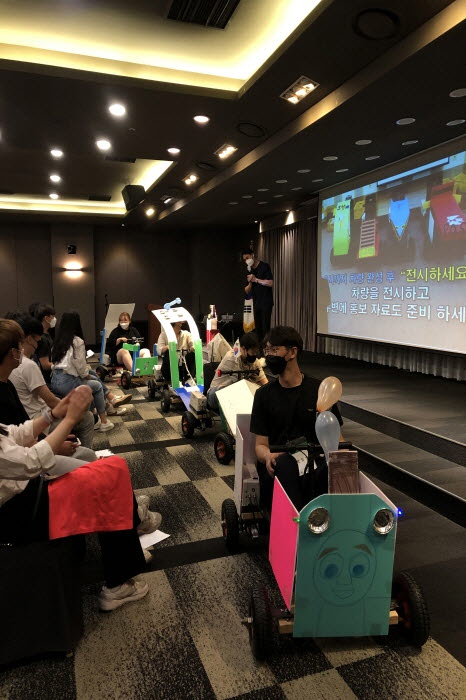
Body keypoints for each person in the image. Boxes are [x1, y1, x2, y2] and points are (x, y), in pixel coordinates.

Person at [250, 326, 343, 512]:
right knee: (285, 464)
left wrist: (342, 458)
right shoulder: (264, 395)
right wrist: (267, 456)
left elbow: (337, 438)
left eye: (274, 350)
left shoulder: (319, 391)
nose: (269, 356)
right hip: (280, 464)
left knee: (335, 467)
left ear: (292, 352)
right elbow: (260, 445)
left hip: (314, 461)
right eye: (267, 350)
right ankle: (298, 522)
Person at [9, 314, 96, 452]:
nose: (37, 346)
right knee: (87, 417)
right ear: (28, 339)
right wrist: (72, 412)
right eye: (37, 341)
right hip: (37, 422)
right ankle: (85, 454)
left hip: (29, 422)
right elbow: (50, 401)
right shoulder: (27, 365)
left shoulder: (13, 366)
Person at [51, 312, 131, 432]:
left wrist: (88, 375)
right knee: (96, 385)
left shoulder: (58, 341)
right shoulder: (77, 341)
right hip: (68, 383)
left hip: (55, 381)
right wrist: (86, 375)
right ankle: (104, 421)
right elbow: (80, 366)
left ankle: (109, 404)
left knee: (92, 375)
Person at [207, 332, 268, 411]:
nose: (254, 355)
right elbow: (238, 388)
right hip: (215, 394)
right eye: (253, 353)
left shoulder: (255, 362)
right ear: (243, 349)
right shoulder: (232, 358)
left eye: (256, 352)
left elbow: (264, 382)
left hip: (233, 395)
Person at [242, 249, 273, 343]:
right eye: (244, 259)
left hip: (266, 302)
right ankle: (260, 349)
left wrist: (256, 280)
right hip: (256, 302)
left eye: (247, 258)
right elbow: (246, 290)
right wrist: (250, 282)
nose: (246, 260)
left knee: (265, 327)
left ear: (252, 255)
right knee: (258, 329)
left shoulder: (264, 266)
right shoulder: (249, 269)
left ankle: (267, 348)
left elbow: (270, 283)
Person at [31, 303, 56, 385]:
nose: (54, 319)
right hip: (47, 380)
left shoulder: (47, 334)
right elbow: (45, 365)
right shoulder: (42, 338)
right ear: (46, 318)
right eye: (53, 317)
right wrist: (62, 365)